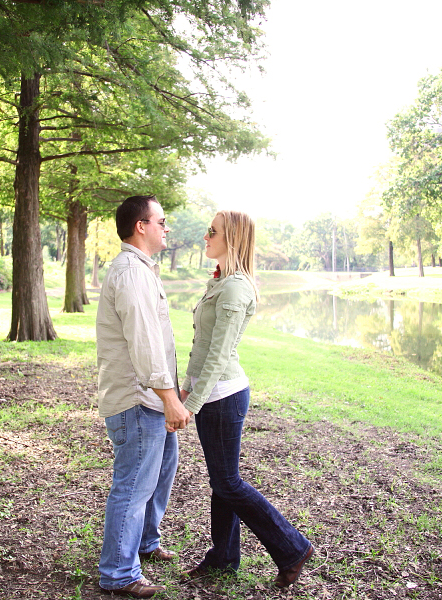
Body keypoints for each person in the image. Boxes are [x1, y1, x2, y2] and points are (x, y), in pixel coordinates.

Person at [180, 210, 314, 589]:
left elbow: (220, 354)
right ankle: (223, 558)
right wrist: (188, 388)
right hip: (211, 394)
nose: (205, 237)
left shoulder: (236, 287)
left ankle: (292, 547)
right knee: (221, 482)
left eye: (212, 231)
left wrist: (190, 404)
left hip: (223, 396)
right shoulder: (222, 282)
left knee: (228, 482)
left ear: (232, 238)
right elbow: (202, 345)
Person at [96, 195, 191, 599]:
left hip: (151, 397)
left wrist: (172, 392)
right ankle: (118, 572)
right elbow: (144, 344)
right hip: (137, 401)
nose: (166, 227)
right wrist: (169, 398)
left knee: (163, 469)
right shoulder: (131, 274)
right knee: (133, 484)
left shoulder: (142, 270)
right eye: (161, 221)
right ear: (141, 226)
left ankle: (144, 542)